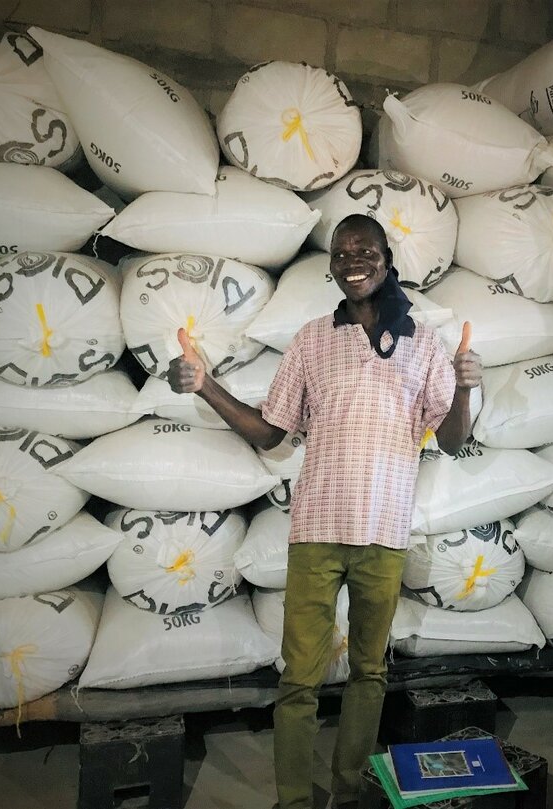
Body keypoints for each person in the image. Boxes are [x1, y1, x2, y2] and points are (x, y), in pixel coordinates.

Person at [169, 214, 482, 809]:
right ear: (333, 267)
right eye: (340, 254)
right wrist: (205, 385)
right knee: (299, 680)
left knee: (369, 672)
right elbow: (269, 434)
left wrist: (465, 386)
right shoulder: (313, 339)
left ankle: (347, 793)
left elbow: (451, 442)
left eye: (363, 250)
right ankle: (293, 802)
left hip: (384, 535)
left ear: (387, 259)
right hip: (315, 532)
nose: (351, 260)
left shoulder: (423, 344)